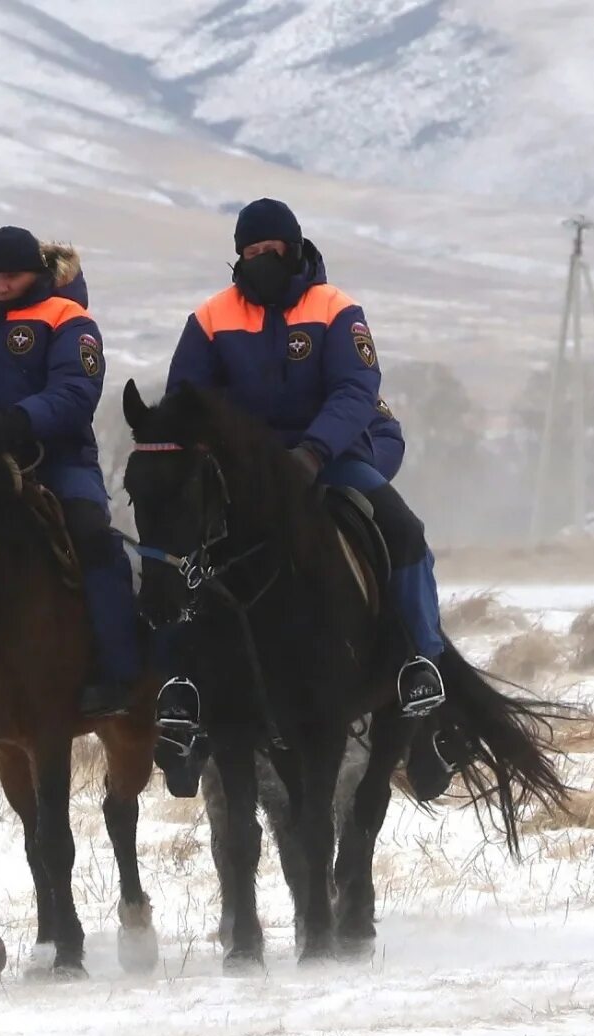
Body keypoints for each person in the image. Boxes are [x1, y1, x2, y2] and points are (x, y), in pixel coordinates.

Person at [160, 198, 447, 721]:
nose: (262, 259)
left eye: (272, 249)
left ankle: (419, 660)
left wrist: (312, 452)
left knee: (404, 531)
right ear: (238, 256)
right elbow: (186, 396)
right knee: (182, 547)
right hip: (241, 472)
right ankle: (182, 681)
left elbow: (355, 389)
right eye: (251, 251)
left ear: (294, 249)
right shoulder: (209, 318)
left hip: (331, 457)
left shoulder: (337, 308)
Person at [0, 225, 141, 717]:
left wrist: (14, 421)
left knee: (93, 539)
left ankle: (117, 673)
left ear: (33, 274)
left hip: (59, 460)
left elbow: (77, 393)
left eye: (9, 276)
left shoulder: (68, 319)